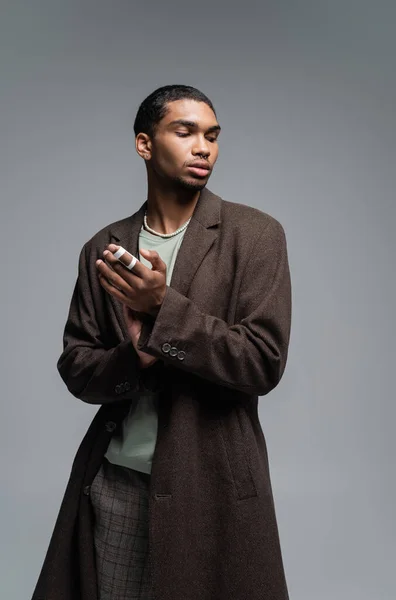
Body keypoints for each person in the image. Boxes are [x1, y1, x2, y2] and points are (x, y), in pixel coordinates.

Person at [32, 84, 292, 600]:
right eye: (185, 131)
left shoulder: (255, 235)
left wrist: (162, 313)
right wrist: (137, 355)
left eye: (212, 136)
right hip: (117, 485)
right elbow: (77, 366)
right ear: (144, 144)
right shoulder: (104, 249)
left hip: (212, 489)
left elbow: (263, 361)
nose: (204, 147)